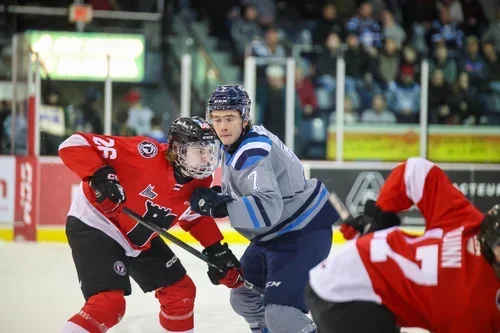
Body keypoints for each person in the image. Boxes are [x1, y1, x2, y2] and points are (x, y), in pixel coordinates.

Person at [58, 116, 243, 333]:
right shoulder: (145, 153)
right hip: (96, 223)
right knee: (108, 305)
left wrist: (217, 249)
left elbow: (191, 216)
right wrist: (100, 175)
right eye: (199, 151)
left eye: (209, 151)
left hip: (138, 238)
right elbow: (72, 144)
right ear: (177, 150)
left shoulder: (201, 180)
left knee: (180, 293)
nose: (206, 159)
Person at [189, 84, 340, 333]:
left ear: (244, 118)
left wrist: (223, 208)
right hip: (274, 235)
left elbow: (268, 206)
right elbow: (251, 189)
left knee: (282, 315)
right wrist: (222, 198)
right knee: (245, 298)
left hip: (300, 234)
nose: (222, 126)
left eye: (229, 118)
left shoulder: (251, 151)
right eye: (217, 119)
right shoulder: (239, 143)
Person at [306, 157, 500, 333]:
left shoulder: (466, 221)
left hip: (352, 285)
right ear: (488, 236)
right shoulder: (474, 305)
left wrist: (381, 217)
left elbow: (417, 172)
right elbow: (416, 173)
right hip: (341, 293)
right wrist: (381, 215)